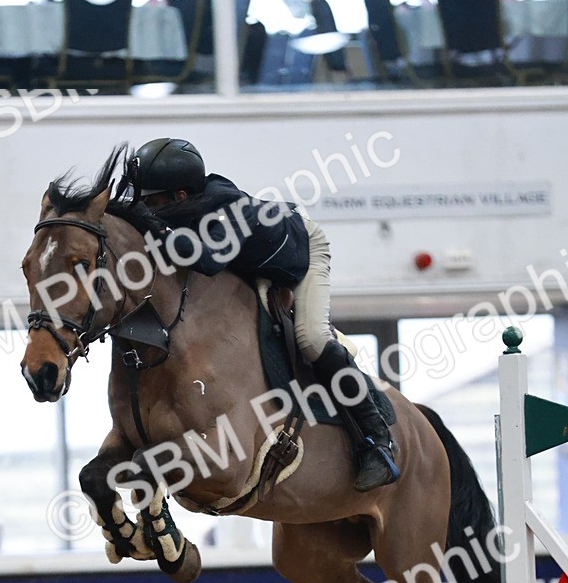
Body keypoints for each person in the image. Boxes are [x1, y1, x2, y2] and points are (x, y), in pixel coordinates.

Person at [126, 137, 400, 492]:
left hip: (303, 254)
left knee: (312, 339)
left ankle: (376, 438)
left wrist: (156, 228)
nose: (147, 209)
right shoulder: (188, 205)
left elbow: (207, 260)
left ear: (180, 197)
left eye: (152, 202)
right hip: (252, 262)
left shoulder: (224, 211)